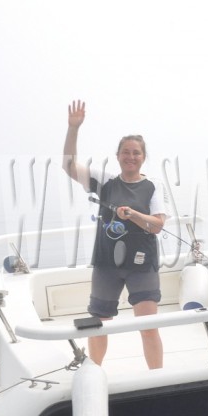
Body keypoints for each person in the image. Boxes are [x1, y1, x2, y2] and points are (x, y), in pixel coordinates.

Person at [62, 100, 167, 369]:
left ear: (143, 157)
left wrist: (134, 215)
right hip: (106, 264)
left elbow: (157, 225)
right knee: (98, 325)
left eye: (136, 153)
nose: (131, 157)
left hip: (142, 265)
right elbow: (69, 166)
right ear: (118, 156)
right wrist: (74, 128)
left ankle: (157, 377)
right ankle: (94, 374)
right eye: (125, 152)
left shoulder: (153, 186)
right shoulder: (105, 181)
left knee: (148, 327)